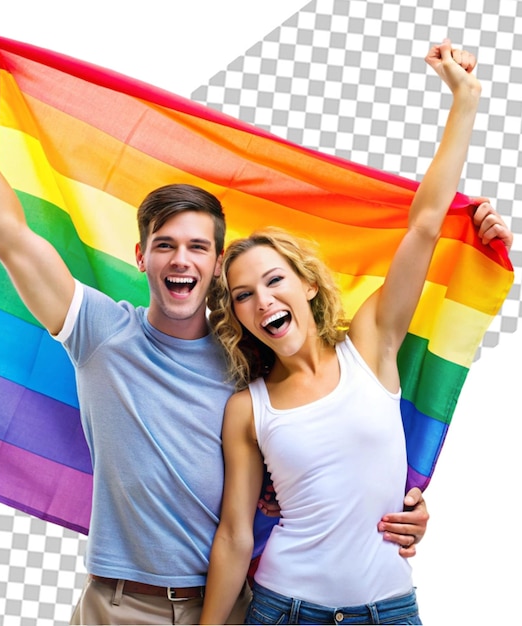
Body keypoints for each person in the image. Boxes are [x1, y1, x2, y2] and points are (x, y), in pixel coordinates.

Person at [0, 27, 510, 626]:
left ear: (216, 267)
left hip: (238, 604)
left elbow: (327, 448)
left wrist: (397, 505)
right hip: (121, 606)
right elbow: (8, 235)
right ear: (141, 256)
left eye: (199, 247)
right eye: (166, 246)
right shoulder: (99, 332)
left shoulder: (251, 369)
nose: (181, 260)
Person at [200, 40, 499, 625]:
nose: (262, 301)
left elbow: (423, 227)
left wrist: (464, 100)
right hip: (283, 610)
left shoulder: (370, 345)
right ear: (237, 316)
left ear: (307, 286)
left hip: (390, 611)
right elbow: (235, 536)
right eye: (242, 296)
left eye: (274, 280)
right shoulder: (247, 409)